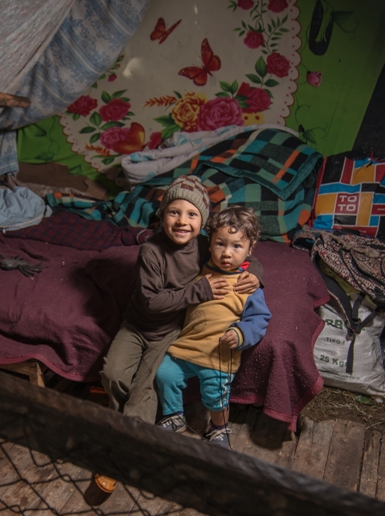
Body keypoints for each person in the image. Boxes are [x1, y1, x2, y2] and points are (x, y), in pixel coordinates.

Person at [99, 175, 263, 425]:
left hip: (170, 330)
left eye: (192, 215)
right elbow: (151, 303)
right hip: (136, 325)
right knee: (112, 375)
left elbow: (241, 252)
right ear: (163, 215)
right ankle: (123, 417)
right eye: (174, 212)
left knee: (144, 387)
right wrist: (200, 290)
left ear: (203, 221)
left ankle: (135, 434)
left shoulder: (207, 246)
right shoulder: (151, 251)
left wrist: (257, 276)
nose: (182, 222)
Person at [154, 206, 271, 448]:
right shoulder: (201, 268)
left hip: (217, 354)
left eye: (236, 246)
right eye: (220, 244)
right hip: (185, 347)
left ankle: (219, 429)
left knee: (216, 397)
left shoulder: (247, 285)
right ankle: (174, 415)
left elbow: (259, 319)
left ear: (250, 249)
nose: (227, 253)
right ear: (210, 244)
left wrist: (240, 334)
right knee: (165, 374)